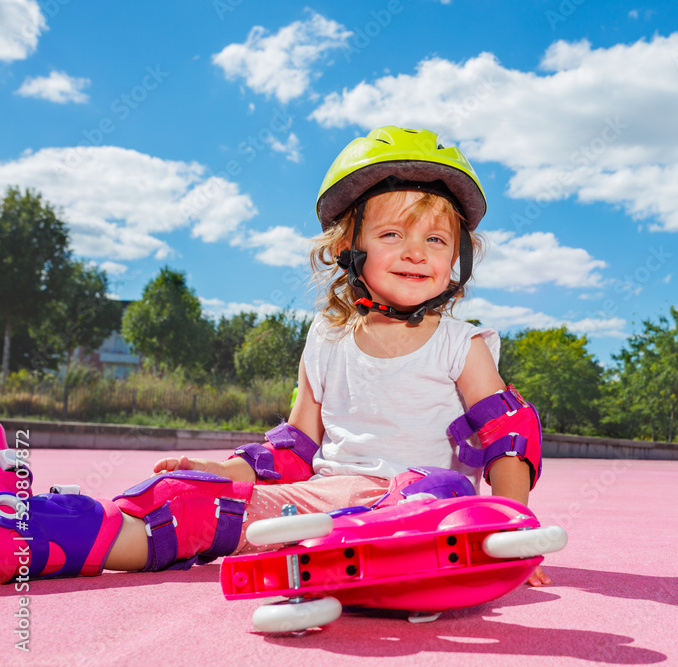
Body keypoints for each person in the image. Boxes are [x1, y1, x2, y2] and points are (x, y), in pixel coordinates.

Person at [1, 126, 549, 587]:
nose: (416, 252)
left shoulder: (462, 342)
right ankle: (32, 530)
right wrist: (221, 471)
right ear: (346, 246)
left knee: (441, 494)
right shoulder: (326, 339)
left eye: (437, 240)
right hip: (322, 500)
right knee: (185, 502)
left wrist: (512, 527)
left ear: (459, 256)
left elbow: (507, 434)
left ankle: (361, 554)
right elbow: (293, 449)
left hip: (415, 505)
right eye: (391, 233)